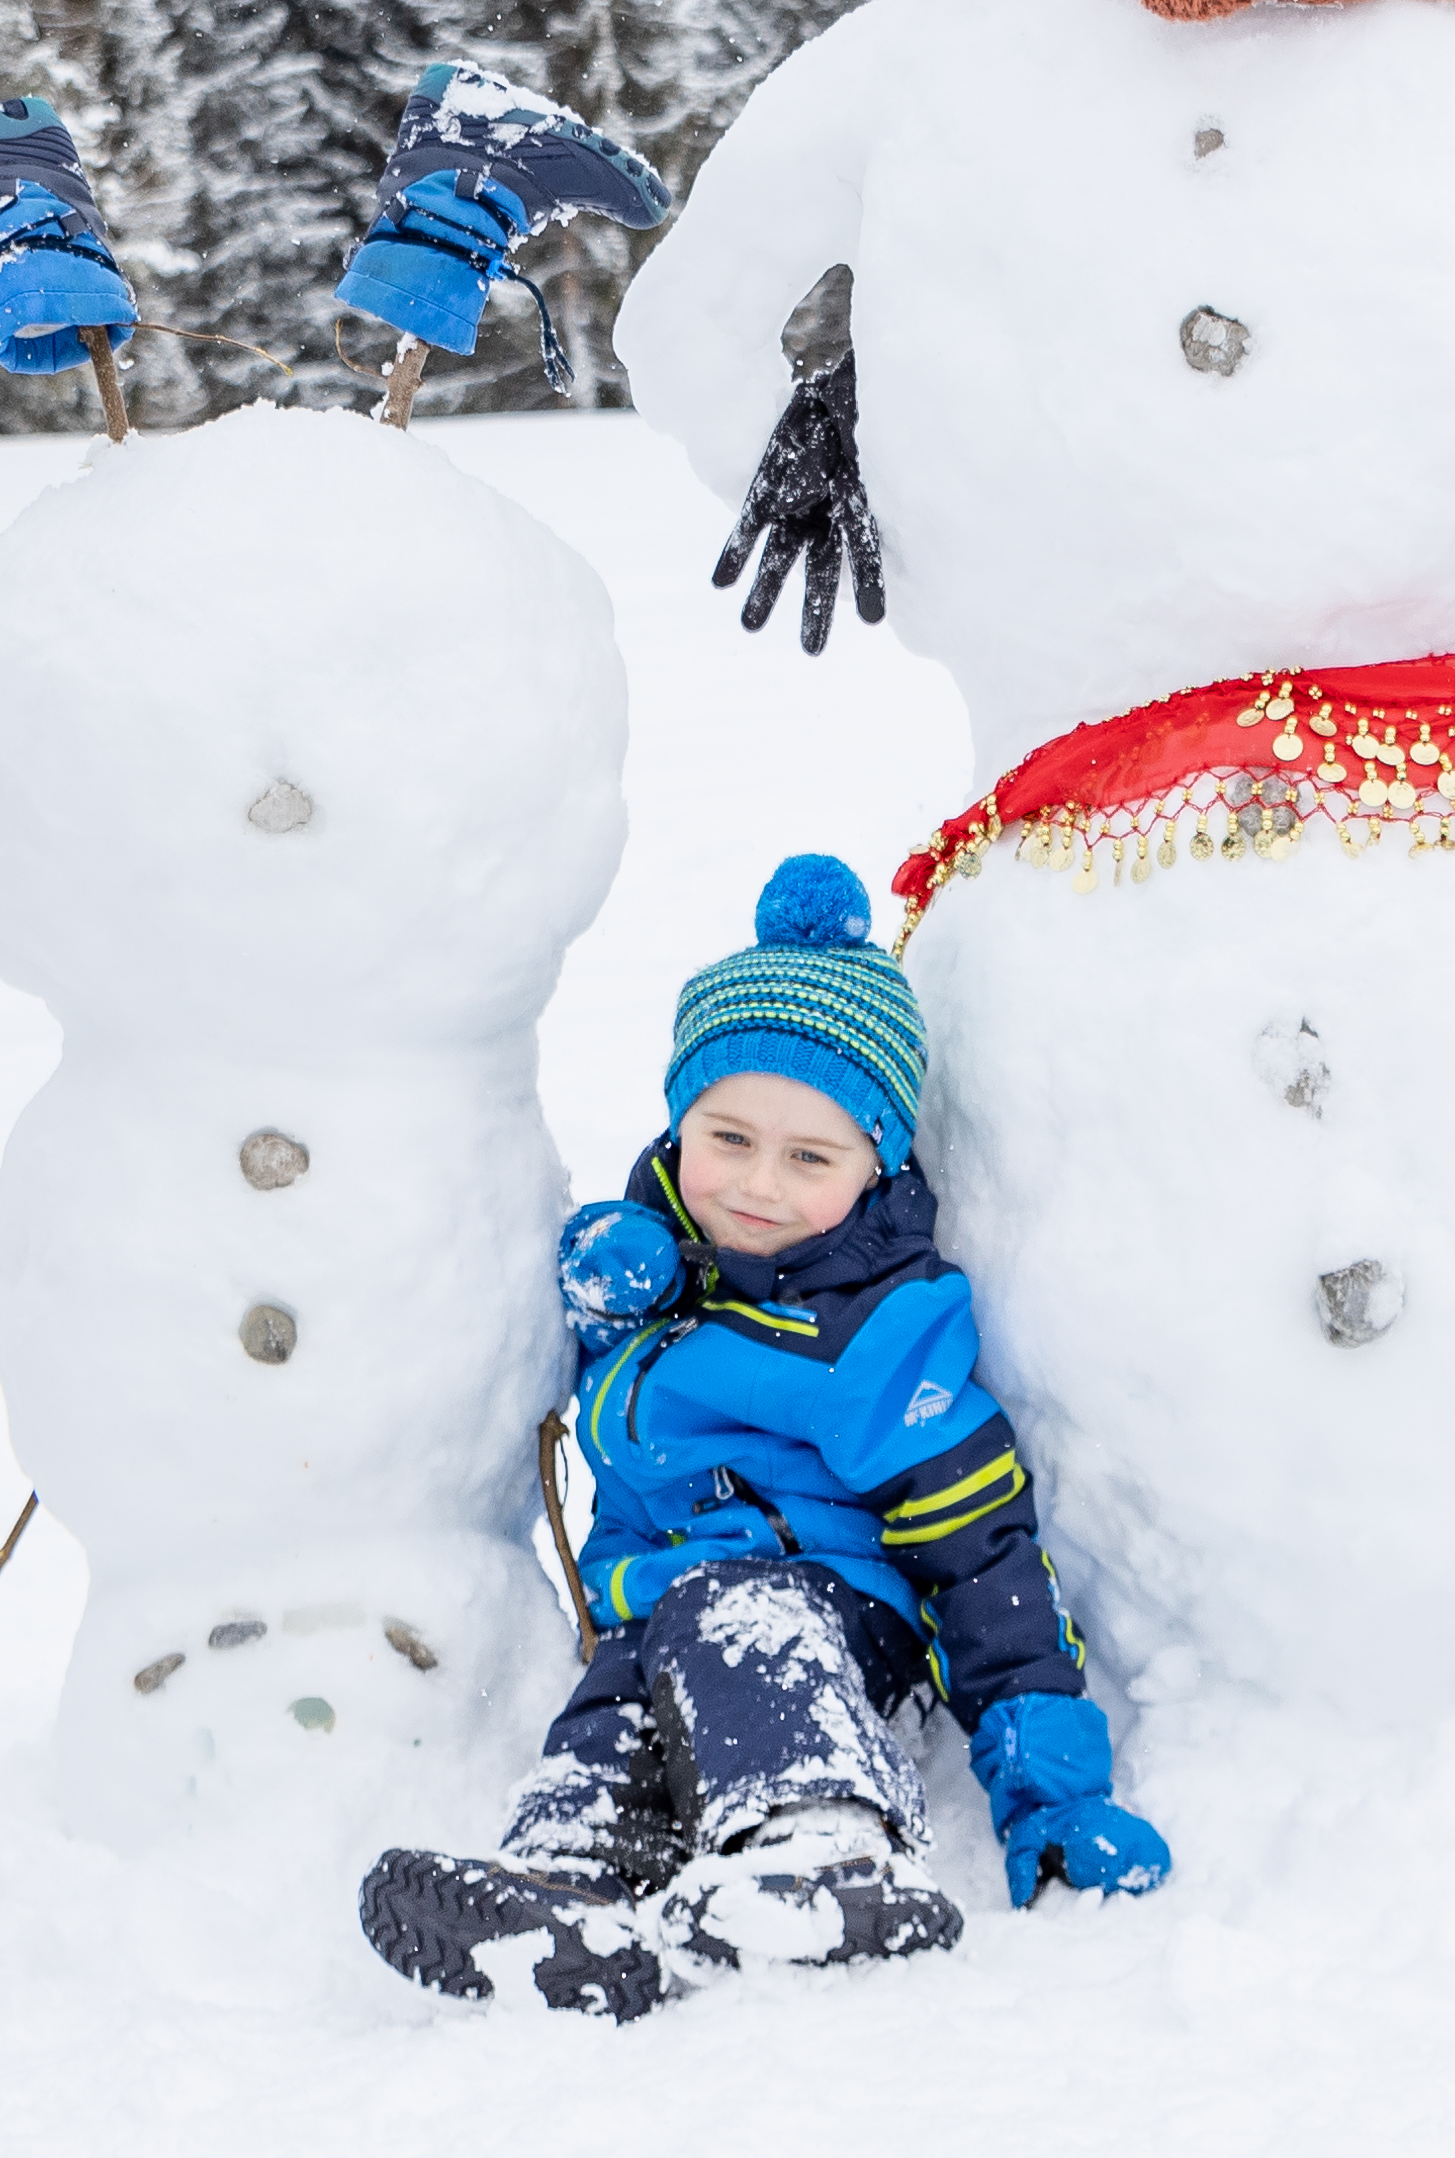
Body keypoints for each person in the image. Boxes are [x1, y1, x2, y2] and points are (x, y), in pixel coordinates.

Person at [358, 856, 1170, 2017]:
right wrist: (607, 1299)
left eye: (809, 1156)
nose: (756, 1185)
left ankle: (830, 1844)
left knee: (727, 1612)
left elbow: (985, 1557)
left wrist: (1050, 1787)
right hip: (663, 1619)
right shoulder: (675, 1270)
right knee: (611, 1716)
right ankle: (573, 1889)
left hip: (825, 1626)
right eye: (726, 1136)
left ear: (878, 1162)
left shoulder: (880, 1332)